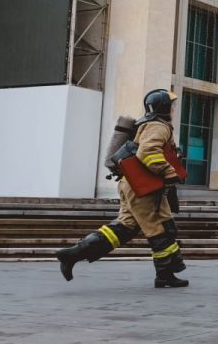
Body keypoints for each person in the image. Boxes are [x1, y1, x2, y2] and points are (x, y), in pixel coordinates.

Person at [56, 89, 188, 288]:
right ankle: (165, 275)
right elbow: (148, 152)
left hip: (132, 184)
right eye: (172, 105)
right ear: (163, 107)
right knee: (160, 229)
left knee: (124, 228)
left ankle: (73, 254)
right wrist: (169, 172)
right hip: (142, 188)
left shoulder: (147, 124)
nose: (174, 109)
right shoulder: (158, 127)